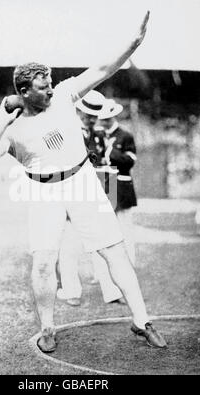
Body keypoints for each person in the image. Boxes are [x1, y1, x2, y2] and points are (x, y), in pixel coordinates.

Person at [0, 11, 167, 352]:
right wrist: (1, 122)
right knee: (44, 261)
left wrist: (133, 42)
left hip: (83, 182)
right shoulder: (13, 128)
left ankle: (142, 320)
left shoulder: (63, 94)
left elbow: (102, 69)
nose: (50, 89)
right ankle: (48, 327)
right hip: (43, 191)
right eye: (42, 87)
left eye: (50, 83)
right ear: (24, 92)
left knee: (114, 251)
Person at [57, 91, 124, 306]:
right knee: (71, 246)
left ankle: (111, 291)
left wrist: (108, 202)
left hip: (96, 195)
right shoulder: (68, 132)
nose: (92, 118)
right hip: (73, 194)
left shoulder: (99, 136)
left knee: (103, 243)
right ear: (78, 111)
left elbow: (106, 169)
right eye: (88, 114)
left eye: (95, 115)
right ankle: (71, 291)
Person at [98, 98, 138, 265]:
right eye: (103, 119)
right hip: (104, 185)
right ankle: (105, 269)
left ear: (114, 117)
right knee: (103, 230)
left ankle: (129, 263)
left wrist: (110, 154)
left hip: (121, 186)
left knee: (124, 228)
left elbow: (130, 161)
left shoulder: (125, 136)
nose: (105, 122)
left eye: (108, 119)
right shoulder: (98, 136)